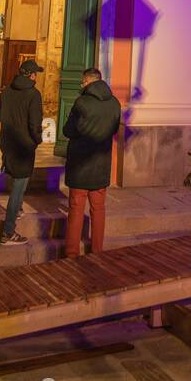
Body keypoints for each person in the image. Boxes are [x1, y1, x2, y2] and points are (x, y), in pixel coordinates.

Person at [62, 68, 122, 257]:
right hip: (101, 163)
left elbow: (68, 131)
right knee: (98, 209)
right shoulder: (114, 103)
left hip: (80, 164)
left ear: (88, 82)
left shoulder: (82, 103)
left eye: (82, 82)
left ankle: (71, 253)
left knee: (76, 209)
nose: (81, 85)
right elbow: (114, 129)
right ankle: (97, 250)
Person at [0, 57, 44, 246]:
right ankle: (8, 232)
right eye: (36, 74)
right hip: (24, 145)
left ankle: (18, 209)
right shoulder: (33, 94)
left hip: (7, 141)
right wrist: (37, 139)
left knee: (18, 178)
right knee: (19, 184)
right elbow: (35, 123)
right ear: (31, 75)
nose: (36, 77)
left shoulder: (6, 91)